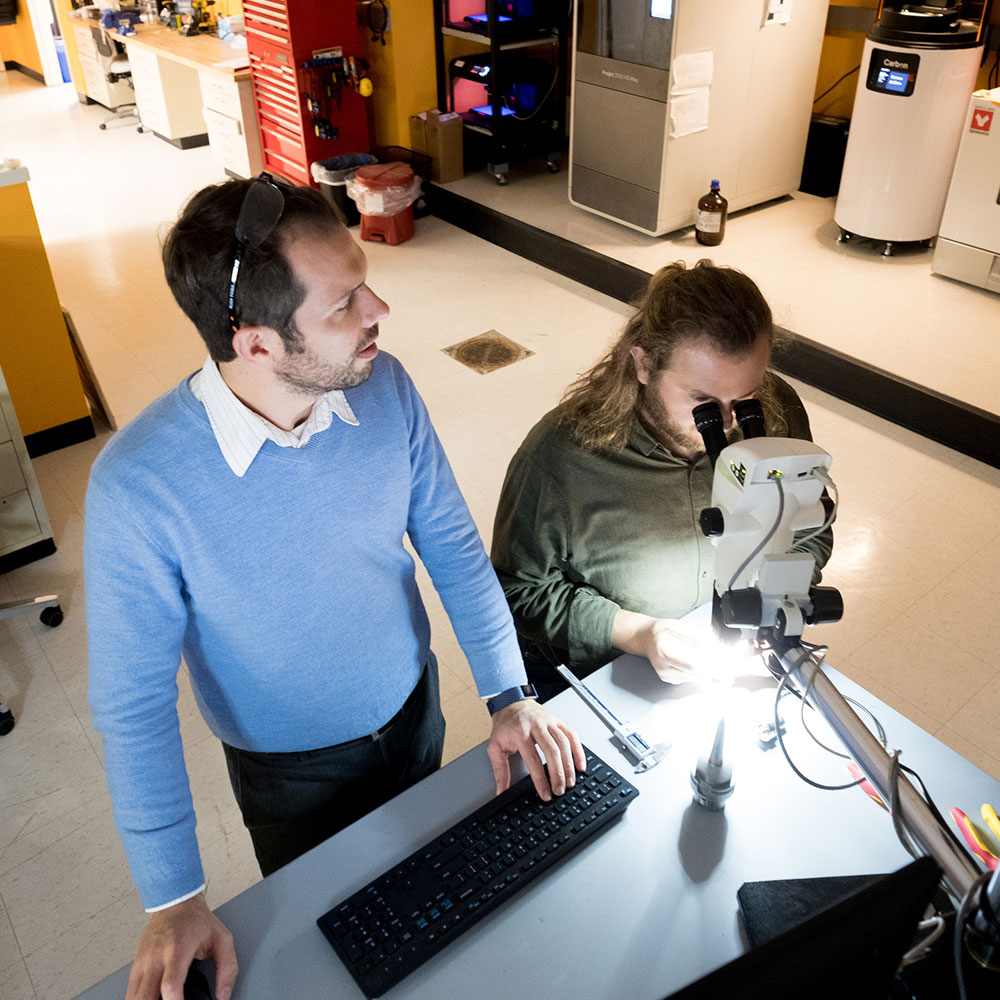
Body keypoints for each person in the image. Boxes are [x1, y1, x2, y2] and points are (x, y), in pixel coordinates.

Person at [84, 175, 585, 1000]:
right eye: (345, 302)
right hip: (290, 774)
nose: (379, 308)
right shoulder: (137, 488)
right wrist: (173, 897)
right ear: (256, 345)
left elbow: (456, 550)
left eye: (365, 284)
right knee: (339, 957)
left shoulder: (384, 387)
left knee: (436, 915)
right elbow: (133, 708)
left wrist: (508, 693)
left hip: (413, 708)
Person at [491, 260, 833, 701]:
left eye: (743, 398)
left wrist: (776, 594)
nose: (727, 423)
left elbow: (810, 524)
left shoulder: (775, 411)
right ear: (645, 365)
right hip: (605, 676)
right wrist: (638, 633)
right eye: (702, 400)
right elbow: (518, 591)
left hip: (731, 659)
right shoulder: (560, 458)